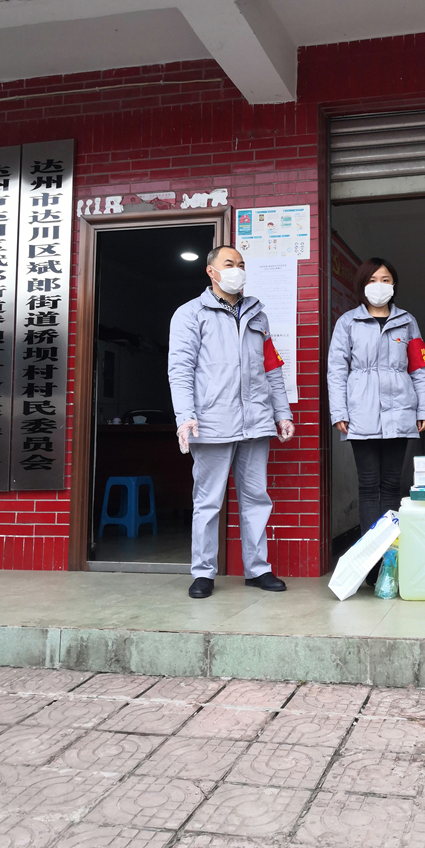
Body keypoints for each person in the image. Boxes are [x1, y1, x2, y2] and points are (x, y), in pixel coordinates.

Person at [168, 245, 295, 599]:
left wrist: (282, 413)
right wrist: (185, 416)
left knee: (256, 498)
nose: (237, 269)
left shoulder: (258, 316)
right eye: (229, 264)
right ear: (211, 271)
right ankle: (203, 573)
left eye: (241, 264)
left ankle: (258, 569)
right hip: (212, 422)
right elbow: (180, 370)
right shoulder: (190, 314)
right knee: (208, 502)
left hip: (255, 422)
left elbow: (272, 368)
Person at [328, 257, 425, 572]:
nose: (379, 286)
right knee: (368, 485)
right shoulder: (348, 322)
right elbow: (337, 370)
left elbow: (419, 368)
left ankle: (390, 560)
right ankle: (370, 564)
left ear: (394, 284)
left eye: (385, 280)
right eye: (373, 280)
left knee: (391, 485)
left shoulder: (407, 321)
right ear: (362, 285)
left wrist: (424, 408)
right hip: (361, 413)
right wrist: (339, 411)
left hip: (400, 412)